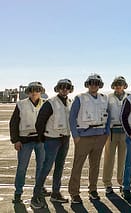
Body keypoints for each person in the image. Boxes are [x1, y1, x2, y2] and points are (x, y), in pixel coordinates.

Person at [30, 79, 74, 209]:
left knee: (60, 167)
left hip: (65, 138)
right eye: (62, 87)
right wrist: (43, 138)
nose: (64, 89)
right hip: (52, 139)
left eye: (67, 87)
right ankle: (35, 196)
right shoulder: (50, 103)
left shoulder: (69, 102)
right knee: (46, 167)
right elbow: (40, 122)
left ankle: (55, 193)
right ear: (57, 88)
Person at [68, 74, 110, 204]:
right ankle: (74, 192)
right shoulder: (80, 98)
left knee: (95, 165)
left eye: (96, 83)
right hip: (84, 137)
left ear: (100, 85)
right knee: (78, 165)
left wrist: (106, 133)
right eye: (91, 83)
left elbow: (108, 117)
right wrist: (75, 135)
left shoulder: (104, 98)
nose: (94, 85)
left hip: (100, 136)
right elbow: (72, 117)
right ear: (87, 84)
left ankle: (93, 190)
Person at [9, 81, 48, 204]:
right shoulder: (21, 104)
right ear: (28, 92)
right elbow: (14, 123)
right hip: (25, 141)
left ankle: (39, 188)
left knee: (41, 167)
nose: (34, 93)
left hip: (41, 140)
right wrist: (16, 140)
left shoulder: (46, 104)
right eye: (31, 90)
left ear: (41, 91)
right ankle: (18, 192)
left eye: (37, 90)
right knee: (22, 168)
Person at [103, 76, 129, 195]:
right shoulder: (108, 98)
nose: (118, 86)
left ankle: (122, 182)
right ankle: (107, 183)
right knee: (109, 159)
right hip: (112, 132)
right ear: (113, 85)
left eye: (121, 84)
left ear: (125, 85)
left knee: (123, 159)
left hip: (125, 132)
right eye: (116, 84)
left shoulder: (129, 97)